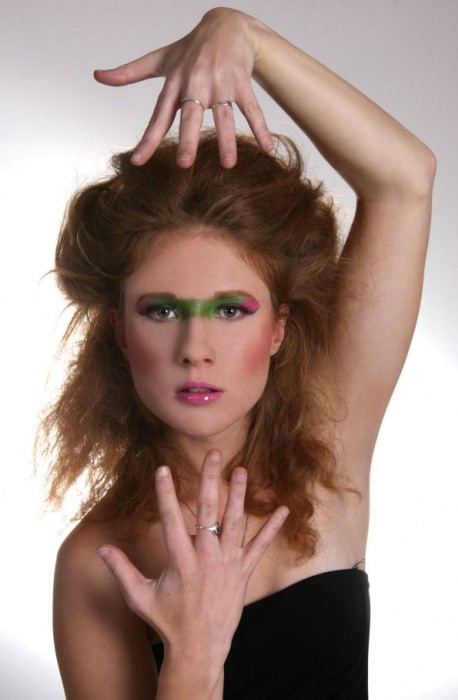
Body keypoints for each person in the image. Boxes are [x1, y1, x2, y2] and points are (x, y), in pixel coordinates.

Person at [46, 7, 435, 699]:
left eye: (231, 310)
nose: (195, 350)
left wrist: (248, 39)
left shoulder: (329, 454)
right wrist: (194, 657)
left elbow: (404, 181)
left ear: (279, 329)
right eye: (161, 310)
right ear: (120, 333)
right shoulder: (97, 562)